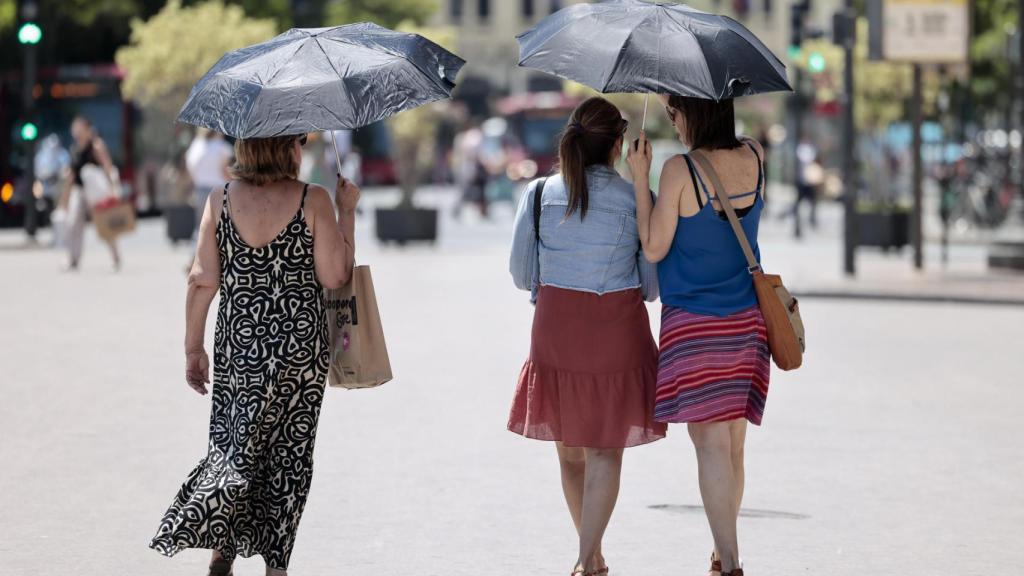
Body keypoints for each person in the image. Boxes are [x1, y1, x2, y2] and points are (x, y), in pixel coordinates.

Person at [149, 133, 361, 576]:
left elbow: (201, 280)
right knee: (289, 456)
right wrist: (348, 213)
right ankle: (276, 566)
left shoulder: (221, 199)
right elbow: (336, 274)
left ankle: (220, 548)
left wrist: (193, 347)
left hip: (239, 348)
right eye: (298, 141)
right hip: (300, 352)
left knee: (234, 447)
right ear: (287, 148)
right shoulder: (313, 199)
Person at [509, 96, 666, 576]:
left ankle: (590, 556)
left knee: (569, 451)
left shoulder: (538, 193)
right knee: (604, 449)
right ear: (620, 146)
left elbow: (520, 273)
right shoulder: (634, 199)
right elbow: (652, 287)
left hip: (556, 327)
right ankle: (587, 556)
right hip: (616, 327)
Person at [627, 95, 771, 576]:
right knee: (731, 445)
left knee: (710, 445)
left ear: (693, 113)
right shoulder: (754, 155)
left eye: (674, 113)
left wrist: (639, 180)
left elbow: (653, 246)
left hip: (696, 326)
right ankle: (722, 551)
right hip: (747, 323)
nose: (673, 121)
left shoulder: (678, 171)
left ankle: (730, 561)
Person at [62, 115, 121, 270]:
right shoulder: (74, 148)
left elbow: (107, 166)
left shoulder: (96, 145)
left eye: (79, 128)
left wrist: (113, 189)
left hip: (95, 192)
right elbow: (71, 175)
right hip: (79, 190)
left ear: (87, 129)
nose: (76, 132)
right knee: (73, 223)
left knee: (103, 223)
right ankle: (73, 258)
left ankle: (115, 257)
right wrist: (64, 198)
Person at [185, 128, 233, 235]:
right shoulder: (222, 147)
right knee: (220, 224)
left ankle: (198, 246)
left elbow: (191, 166)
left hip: (200, 189)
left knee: (201, 224)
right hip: (219, 189)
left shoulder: (197, 145)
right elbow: (224, 171)